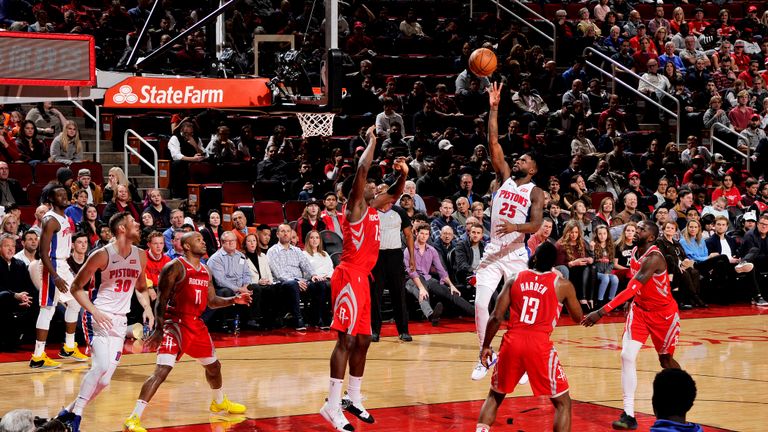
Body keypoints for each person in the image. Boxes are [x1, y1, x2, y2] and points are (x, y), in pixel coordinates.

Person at [320, 125, 407, 430]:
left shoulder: (374, 208)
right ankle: (331, 406)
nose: (374, 186)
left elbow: (395, 192)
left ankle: (353, 397)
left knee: (366, 339)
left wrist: (404, 174)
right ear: (357, 191)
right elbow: (362, 168)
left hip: (363, 279)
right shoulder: (355, 206)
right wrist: (372, 140)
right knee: (345, 340)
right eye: (370, 185)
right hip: (348, 276)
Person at [123, 232, 252, 432]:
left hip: (196, 325)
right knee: (162, 371)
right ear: (187, 246)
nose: (203, 242)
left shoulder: (206, 270)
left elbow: (211, 301)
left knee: (215, 367)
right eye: (198, 240)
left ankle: (219, 402)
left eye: (203, 239)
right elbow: (161, 300)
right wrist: (158, 328)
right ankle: (133, 418)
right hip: (175, 324)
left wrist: (233, 299)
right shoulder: (175, 267)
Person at [472, 82, 545, 380]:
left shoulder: (536, 191)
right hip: (493, 251)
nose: (518, 160)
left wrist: (516, 226)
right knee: (480, 303)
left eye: (524, 160)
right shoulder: (504, 177)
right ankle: (483, 356)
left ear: (533, 169)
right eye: (518, 158)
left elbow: (537, 224)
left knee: (519, 313)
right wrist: (494, 107)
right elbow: (493, 142)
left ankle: (521, 360)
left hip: (516, 254)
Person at [55, 212, 153, 432]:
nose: (137, 225)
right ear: (121, 229)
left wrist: (147, 308)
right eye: (133, 223)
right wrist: (94, 311)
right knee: (100, 366)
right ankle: (76, 418)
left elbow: (141, 288)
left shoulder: (141, 256)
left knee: (105, 380)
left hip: (119, 321)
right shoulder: (102, 255)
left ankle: (65, 413)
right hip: (98, 316)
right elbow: (75, 288)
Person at [582, 221, 681, 430]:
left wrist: (600, 312)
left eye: (642, 229)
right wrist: (630, 302)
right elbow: (633, 287)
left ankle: (682, 392)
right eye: (637, 228)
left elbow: (631, 287)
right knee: (627, 356)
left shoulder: (654, 258)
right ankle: (628, 414)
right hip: (640, 312)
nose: (637, 231)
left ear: (652, 237)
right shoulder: (635, 250)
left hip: (663, 315)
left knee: (665, 361)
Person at [475, 241, 583, 432]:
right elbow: (577, 317)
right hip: (539, 345)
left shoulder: (515, 278)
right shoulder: (562, 285)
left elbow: (496, 316)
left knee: (494, 396)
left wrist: (485, 346)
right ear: (554, 265)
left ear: (533, 258)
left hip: (512, 342)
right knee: (563, 403)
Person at [29, 186, 86, 368]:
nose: (63, 196)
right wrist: (55, 276)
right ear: (51, 200)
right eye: (58, 195)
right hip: (51, 266)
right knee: (47, 308)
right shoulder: (51, 220)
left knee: (76, 302)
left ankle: (69, 347)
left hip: (62, 264)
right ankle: (37, 357)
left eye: (64, 194)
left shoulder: (65, 218)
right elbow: (43, 252)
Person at [404, 223, 474, 325]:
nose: (424, 236)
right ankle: (431, 316)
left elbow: (441, 270)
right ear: (416, 233)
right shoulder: (408, 250)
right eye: (422, 233)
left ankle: (475, 312)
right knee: (423, 293)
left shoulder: (432, 250)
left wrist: (451, 285)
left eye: (426, 234)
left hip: (428, 278)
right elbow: (411, 272)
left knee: (450, 292)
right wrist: (421, 288)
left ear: (429, 236)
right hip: (412, 280)